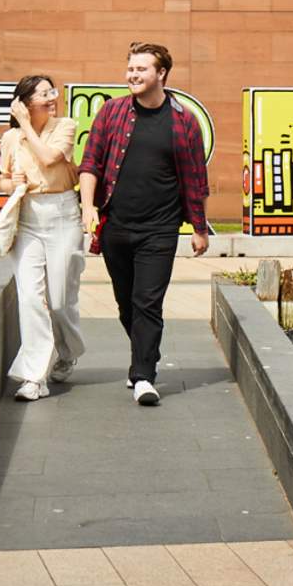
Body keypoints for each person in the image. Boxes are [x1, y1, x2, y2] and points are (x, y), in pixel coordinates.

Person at [79, 42, 209, 406]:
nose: (133, 76)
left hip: (160, 228)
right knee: (126, 304)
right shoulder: (112, 112)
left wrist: (199, 228)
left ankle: (143, 376)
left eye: (142, 70)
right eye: (131, 69)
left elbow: (195, 179)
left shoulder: (184, 120)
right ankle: (144, 357)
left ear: (161, 74)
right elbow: (91, 164)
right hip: (116, 225)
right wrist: (88, 208)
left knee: (148, 301)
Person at [0, 75, 85, 401]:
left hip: (63, 214)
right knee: (31, 300)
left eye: (53, 92)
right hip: (28, 219)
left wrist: (26, 125)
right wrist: (12, 182)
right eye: (44, 94)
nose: (52, 98)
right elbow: (4, 181)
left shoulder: (65, 126)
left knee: (61, 301)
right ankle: (34, 376)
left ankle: (68, 352)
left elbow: (50, 158)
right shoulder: (10, 138)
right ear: (25, 100)